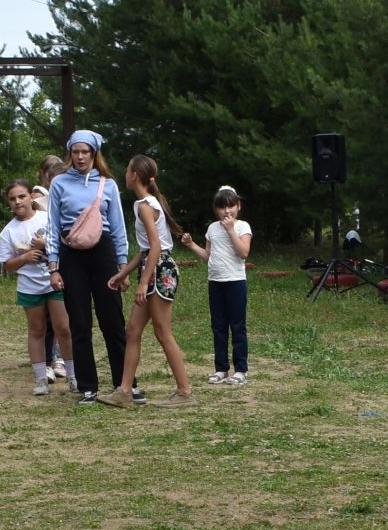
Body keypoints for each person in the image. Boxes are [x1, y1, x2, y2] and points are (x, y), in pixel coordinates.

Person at [44, 130, 130, 404]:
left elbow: (118, 227)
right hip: (72, 255)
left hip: (103, 253)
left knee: (113, 321)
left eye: (86, 152)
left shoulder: (108, 184)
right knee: (79, 323)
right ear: (70, 153)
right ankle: (87, 386)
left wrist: (123, 265)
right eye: (76, 152)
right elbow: (52, 227)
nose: (80, 157)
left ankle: (124, 383)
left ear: (94, 154)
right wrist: (53, 267)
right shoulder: (59, 183)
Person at [104, 155, 193, 407]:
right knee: (132, 331)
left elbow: (155, 248)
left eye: (128, 169)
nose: (125, 174)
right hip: (153, 265)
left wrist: (143, 282)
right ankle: (124, 391)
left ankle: (185, 392)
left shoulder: (144, 205)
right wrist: (124, 272)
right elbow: (145, 250)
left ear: (134, 175)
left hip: (160, 269)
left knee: (163, 332)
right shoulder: (147, 203)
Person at [0, 179, 73, 398]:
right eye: (12, 199)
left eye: (21, 196)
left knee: (64, 328)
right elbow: (8, 265)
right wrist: (25, 257)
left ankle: (73, 375)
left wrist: (44, 246)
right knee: (37, 330)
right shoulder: (8, 232)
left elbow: (64, 243)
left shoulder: (47, 218)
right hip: (29, 287)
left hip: (54, 280)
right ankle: (40, 378)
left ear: (31, 196)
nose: (18, 202)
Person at [179, 184, 252, 385]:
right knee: (218, 327)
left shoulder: (242, 227)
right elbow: (208, 256)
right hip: (215, 282)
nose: (226, 210)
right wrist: (191, 245)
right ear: (216, 209)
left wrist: (230, 231)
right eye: (222, 207)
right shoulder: (212, 228)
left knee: (237, 326)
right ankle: (221, 369)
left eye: (231, 206)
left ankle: (241, 370)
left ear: (238, 206)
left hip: (236, 282)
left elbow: (243, 252)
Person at [31, 154, 68, 382]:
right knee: (44, 318)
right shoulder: (37, 197)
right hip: (43, 266)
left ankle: (61, 358)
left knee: (63, 317)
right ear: (44, 175)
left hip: (64, 261)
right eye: (49, 174)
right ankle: (47, 359)